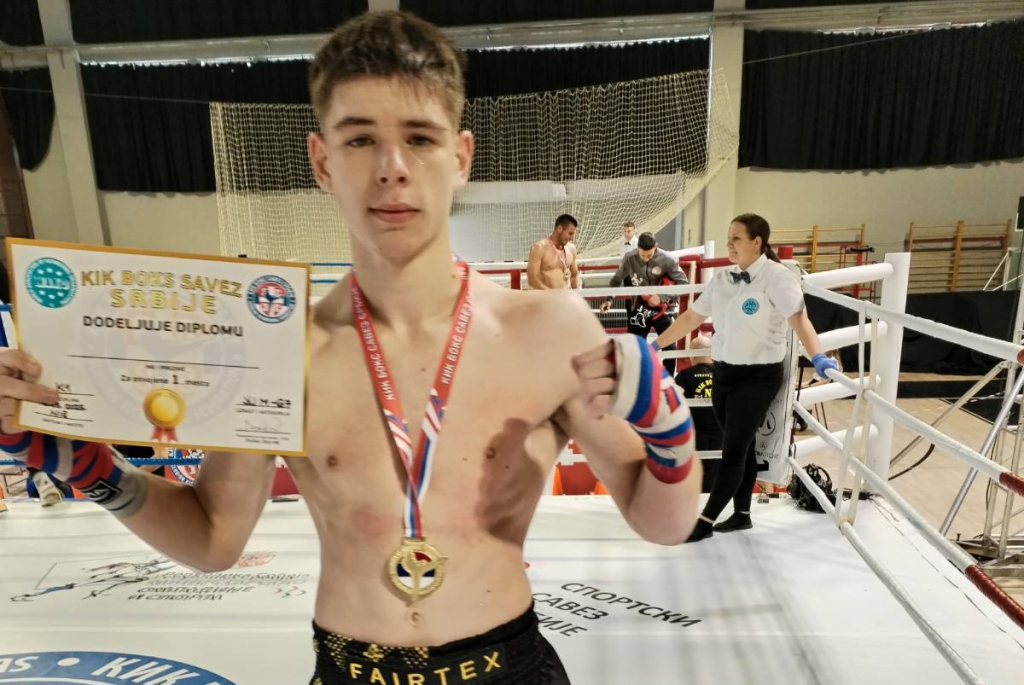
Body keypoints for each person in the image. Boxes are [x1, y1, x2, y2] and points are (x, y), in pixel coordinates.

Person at [0, 11, 701, 685]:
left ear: (460, 156)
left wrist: (668, 427)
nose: (392, 167)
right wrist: (90, 469)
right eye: (360, 139)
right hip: (348, 668)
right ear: (322, 160)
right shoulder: (280, 347)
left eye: (420, 137)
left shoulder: (549, 329)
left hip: (508, 667)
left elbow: (664, 524)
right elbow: (212, 539)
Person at [654, 213, 837, 543]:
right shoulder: (723, 278)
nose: (729, 244)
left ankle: (705, 521)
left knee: (734, 451)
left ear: (757, 242)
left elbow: (799, 319)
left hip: (759, 377)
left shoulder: (777, 278)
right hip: (724, 373)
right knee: (744, 446)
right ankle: (742, 514)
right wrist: (657, 346)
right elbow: (691, 317)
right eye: (728, 237)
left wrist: (818, 356)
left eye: (736, 238)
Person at [599, 232, 688, 374]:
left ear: (656, 246)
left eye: (649, 255)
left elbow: (684, 284)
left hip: (663, 307)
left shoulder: (669, 259)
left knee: (670, 346)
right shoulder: (630, 258)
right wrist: (609, 299)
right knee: (634, 347)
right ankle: (637, 380)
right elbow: (616, 280)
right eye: (642, 255)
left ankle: (668, 381)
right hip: (640, 305)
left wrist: (662, 296)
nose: (646, 258)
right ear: (637, 248)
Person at [674, 335, 721, 493]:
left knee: (696, 472)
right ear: (711, 352)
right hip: (721, 431)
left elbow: (673, 399)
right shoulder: (722, 373)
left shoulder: (685, 375)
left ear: (691, 355)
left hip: (696, 432)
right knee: (718, 472)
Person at [527, 214, 579, 290]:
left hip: (566, 295)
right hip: (546, 296)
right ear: (559, 229)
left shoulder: (571, 248)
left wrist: (575, 293)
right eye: (570, 233)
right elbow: (532, 279)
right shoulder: (539, 248)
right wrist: (551, 294)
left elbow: (574, 274)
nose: (572, 238)